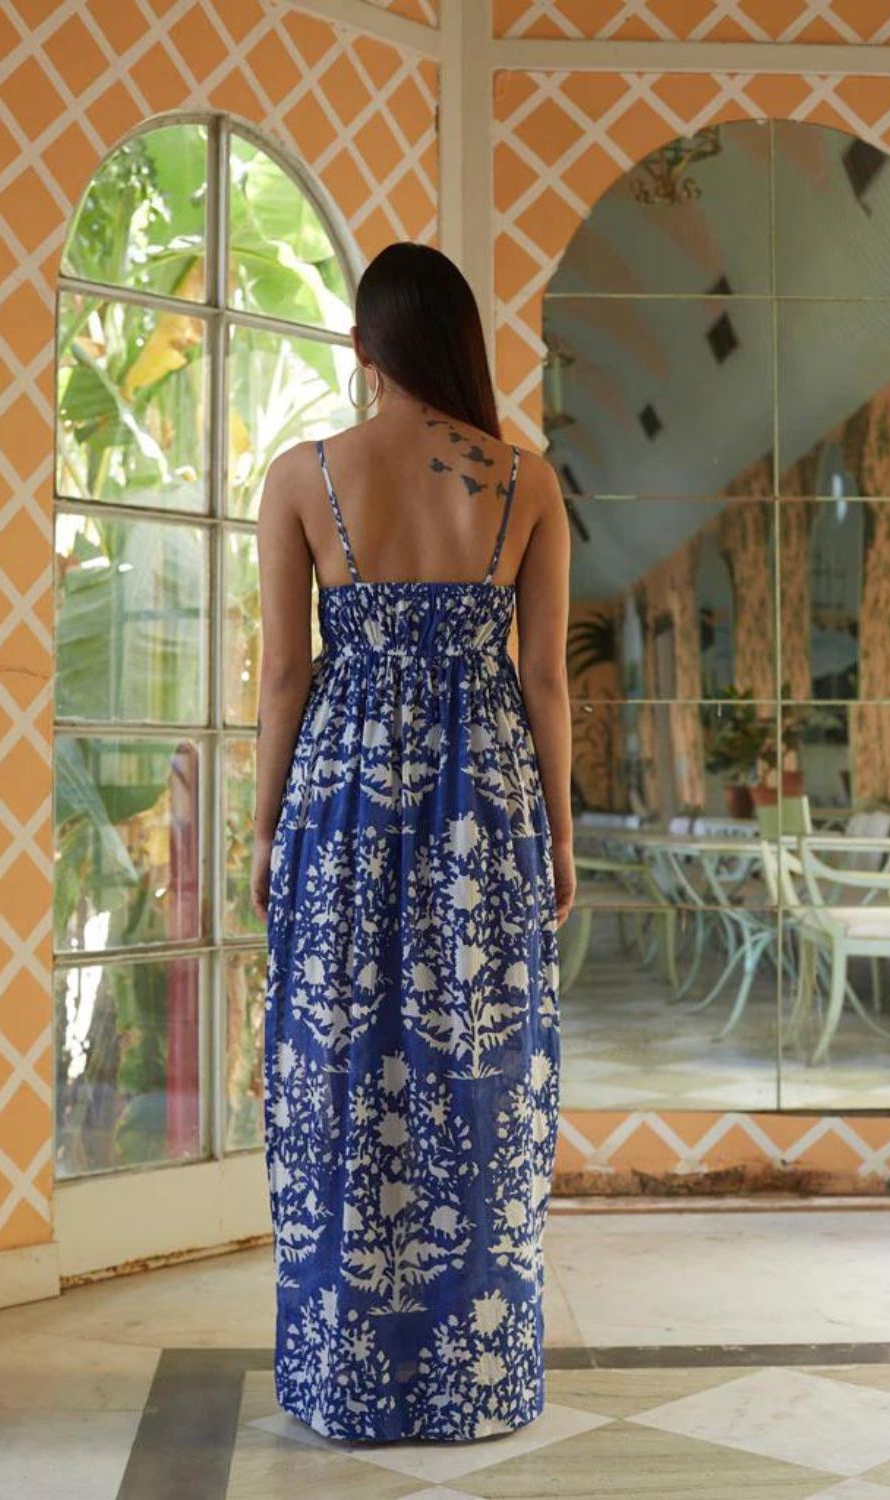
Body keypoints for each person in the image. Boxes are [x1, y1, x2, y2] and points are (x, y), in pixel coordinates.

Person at [251, 241, 575, 1443]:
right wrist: (561, 835)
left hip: (340, 804)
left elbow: (285, 678)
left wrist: (264, 829)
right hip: (486, 806)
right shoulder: (525, 482)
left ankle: (346, 1377)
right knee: (482, 1072)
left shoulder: (303, 477)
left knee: (336, 1070)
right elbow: (544, 681)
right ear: (457, 345)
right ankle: (475, 1379)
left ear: (363, 347)